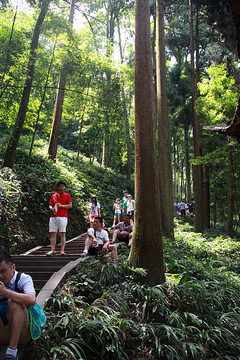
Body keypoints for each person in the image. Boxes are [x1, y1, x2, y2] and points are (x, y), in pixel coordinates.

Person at [0, 252, 36, 360]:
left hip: (22, 330)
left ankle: (12, 351)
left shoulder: (23, 278)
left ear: (13, 267)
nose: (0, 276)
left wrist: (5, 293)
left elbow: (31, 300)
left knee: (14, 302)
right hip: (3, 328)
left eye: (3, 271)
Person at [46, 180, 72, 256]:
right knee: (53, 233)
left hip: (63, 217)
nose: (62, 188)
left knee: (62, 233)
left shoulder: (67, 195)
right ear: (57, 187)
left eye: (63, 186)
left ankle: (62, 250)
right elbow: (50, 204)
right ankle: (52, 250)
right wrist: (52, 208)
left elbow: (70, 205)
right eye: (60, 186)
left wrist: (61, 206)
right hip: (53, 216)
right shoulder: (53, 196)